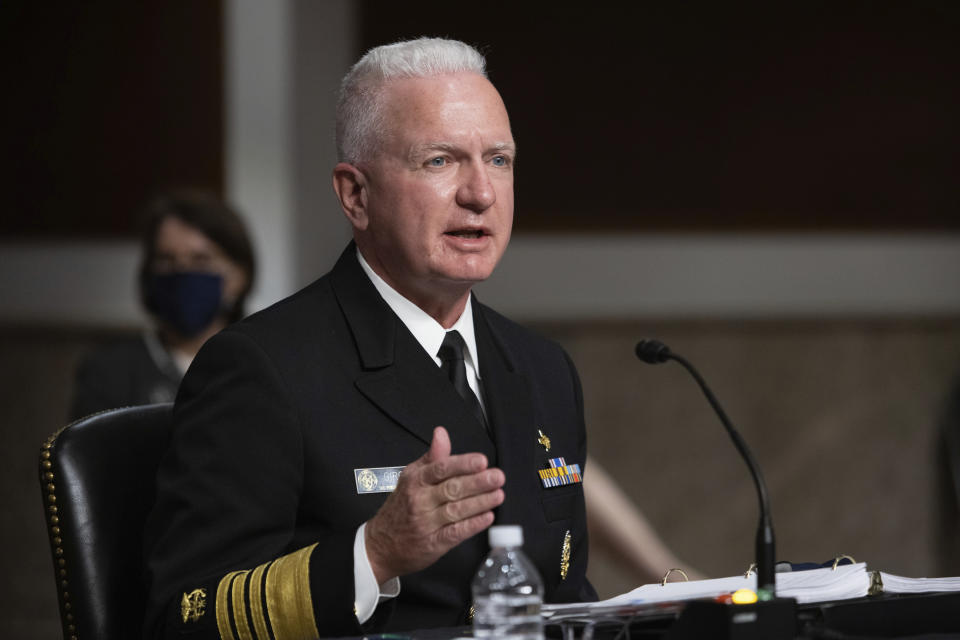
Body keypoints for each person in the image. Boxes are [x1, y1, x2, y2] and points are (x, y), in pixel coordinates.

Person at [142, 38, 596, 639]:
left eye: (499, 160)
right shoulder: (261, 369)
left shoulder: (543, 369)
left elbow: (563, 598)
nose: (480, 193)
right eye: (440, 160)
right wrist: (372, 554)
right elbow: (182, 617)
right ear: (356, 195)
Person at [69, 191, 255, 421]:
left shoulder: (259, 367)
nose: (183, 272)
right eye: (167, 260)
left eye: (201, 260)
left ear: (238, 276)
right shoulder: (108, 372)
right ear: (149, 273)